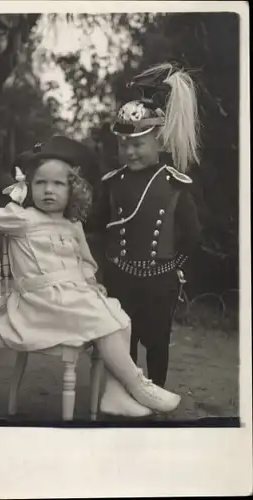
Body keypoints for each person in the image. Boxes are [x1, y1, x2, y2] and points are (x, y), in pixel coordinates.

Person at [0, 135, 181, 419]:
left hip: (67, 300)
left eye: (58, 184)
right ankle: (138, 385)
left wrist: (90, 282)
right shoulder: (21, 218)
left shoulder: (72, 224)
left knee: (119, 317)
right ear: (29, 187)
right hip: (37, 305)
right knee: (102, 319)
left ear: (72, 190)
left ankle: (115, 394)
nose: (48, 190)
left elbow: (85, 262)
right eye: (41, 182)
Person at [88, 63, 202, 388]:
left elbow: (192, 234)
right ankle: (126, 396)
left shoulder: (173, 184)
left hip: (159, 282)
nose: (130, 150)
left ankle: (155, 396)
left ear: (160, 142)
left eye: (138, 143)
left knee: (156, 344)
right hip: (119, 278)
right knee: (123, 342)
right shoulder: (111, 183)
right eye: (123, 144)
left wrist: (173, 268)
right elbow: (95, 226)